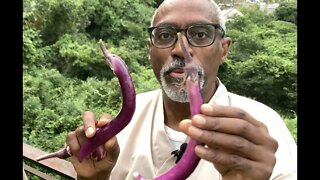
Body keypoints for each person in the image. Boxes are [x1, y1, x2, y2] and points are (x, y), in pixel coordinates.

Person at [66, 0, 297, 179]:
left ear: (224, 49)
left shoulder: (265, 128)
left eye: (200, 34)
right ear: (149, 50)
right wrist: (94, 179)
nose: (180, 49)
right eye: (165, 35)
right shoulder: (118, 131)